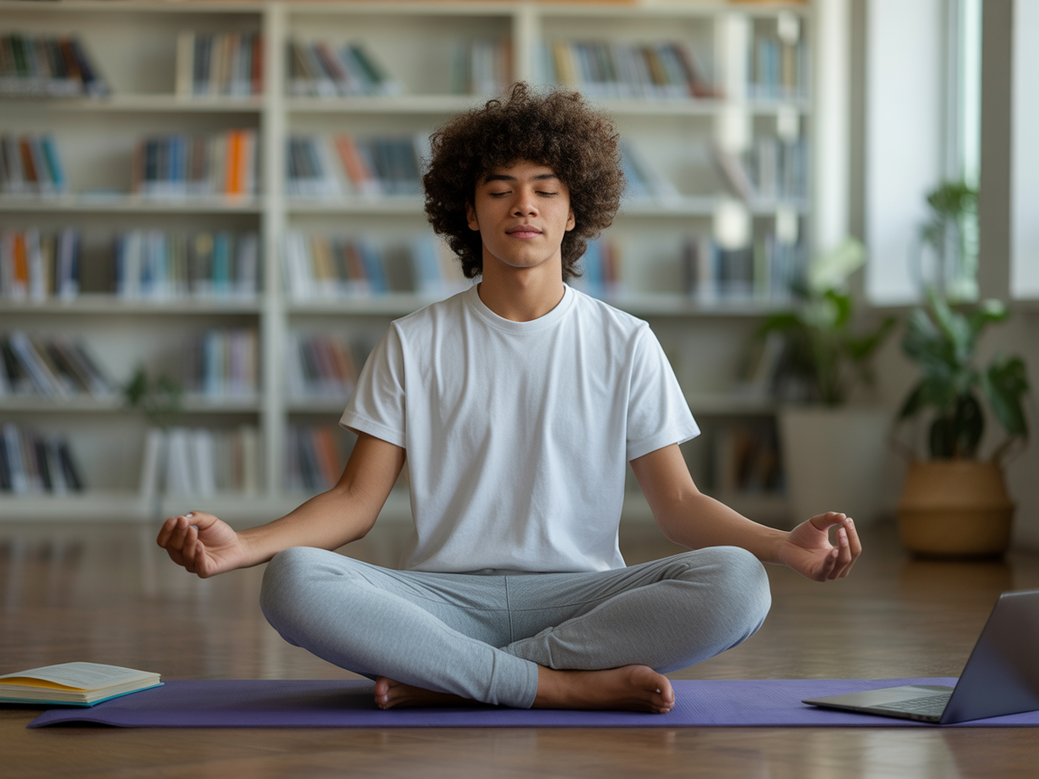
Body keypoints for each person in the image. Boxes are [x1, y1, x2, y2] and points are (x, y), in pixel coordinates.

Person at [157, 83, 861, 714]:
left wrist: (779, 545)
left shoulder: (626, 342)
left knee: (739, 582)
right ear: (468, 212)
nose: (523, 204)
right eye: (499, 190)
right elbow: (354, 502)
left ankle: (458, 679)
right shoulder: (412, 341)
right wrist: (244, 546)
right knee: (293, 579)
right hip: (441, 601)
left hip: (584, 599)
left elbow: (678, 505)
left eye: (545, 189)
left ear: (573, 212)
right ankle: (557, 685)